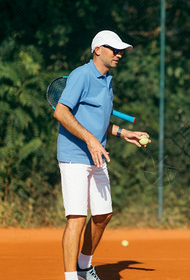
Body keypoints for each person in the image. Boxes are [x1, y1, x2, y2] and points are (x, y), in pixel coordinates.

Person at [54, 30, 150, 280]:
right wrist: (90, 140)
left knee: (103, 215)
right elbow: (62, 113)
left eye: (121, 51)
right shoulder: (81, 75)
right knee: (76, 217)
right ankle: (71, 277)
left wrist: (123, 132)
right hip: (74, 155)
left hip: (97, 156)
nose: (119, 54)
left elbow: (98, 122)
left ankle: (84, 267)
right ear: (98, 49)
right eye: (114, 49)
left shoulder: (107, 80)